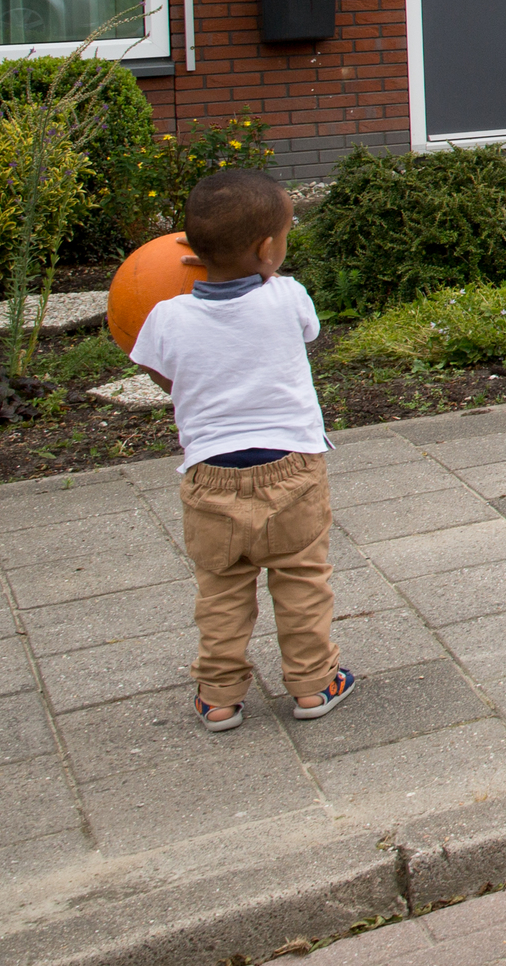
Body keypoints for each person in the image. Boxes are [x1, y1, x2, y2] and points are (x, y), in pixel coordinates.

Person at [129, 169, 356, 733]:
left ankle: (220, 696)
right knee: (302, 579)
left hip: (210, 475)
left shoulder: (166, 316)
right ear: (267, 248)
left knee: (222, 588)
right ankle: (312, 685)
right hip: (292, 469)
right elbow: (307, 335)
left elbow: (163, 376)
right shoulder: (286, 297)